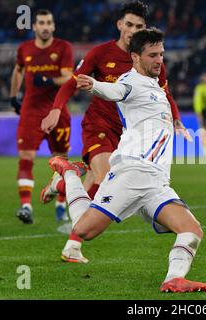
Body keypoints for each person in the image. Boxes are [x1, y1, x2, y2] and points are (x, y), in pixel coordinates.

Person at [48, 28, 206, 293]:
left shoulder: (157, 87)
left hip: (157, 182)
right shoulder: (131, 80)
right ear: (135, 57)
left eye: (161, 54)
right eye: (152, 55)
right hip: (132, 173)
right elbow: (116, 90)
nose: (159, 60)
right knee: (84, 230)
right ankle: (69, 173)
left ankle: (173, 279)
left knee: (192, 230)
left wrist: (178, 120)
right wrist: (95, 85)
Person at [40, 1, 190, 263]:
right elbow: (76, 82)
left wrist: (176, 119)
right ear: (120, 25)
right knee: (103, 173)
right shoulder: (101, 53)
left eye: (139, 26)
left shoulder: (151, 59)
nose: (133, 30)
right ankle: (74, 243)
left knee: (100, 185)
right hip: (98, 125)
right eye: (129, 25)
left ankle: (65, 183)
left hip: (129, 134)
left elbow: (165, 94)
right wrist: (56, 109)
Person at [9, 9, 74, 224]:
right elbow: (18, 70)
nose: (45, 26)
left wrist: (47, 80)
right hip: (31, 110)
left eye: (49, 22)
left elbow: (67, 77)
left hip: (57, 110)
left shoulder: (63, 47)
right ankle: (26, 206)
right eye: (41, 23)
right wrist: (13, 96)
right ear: (34, 26)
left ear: (53, 26)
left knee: (61, 161)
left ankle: (60, 206)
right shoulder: (24, 49)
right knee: (25, 158)